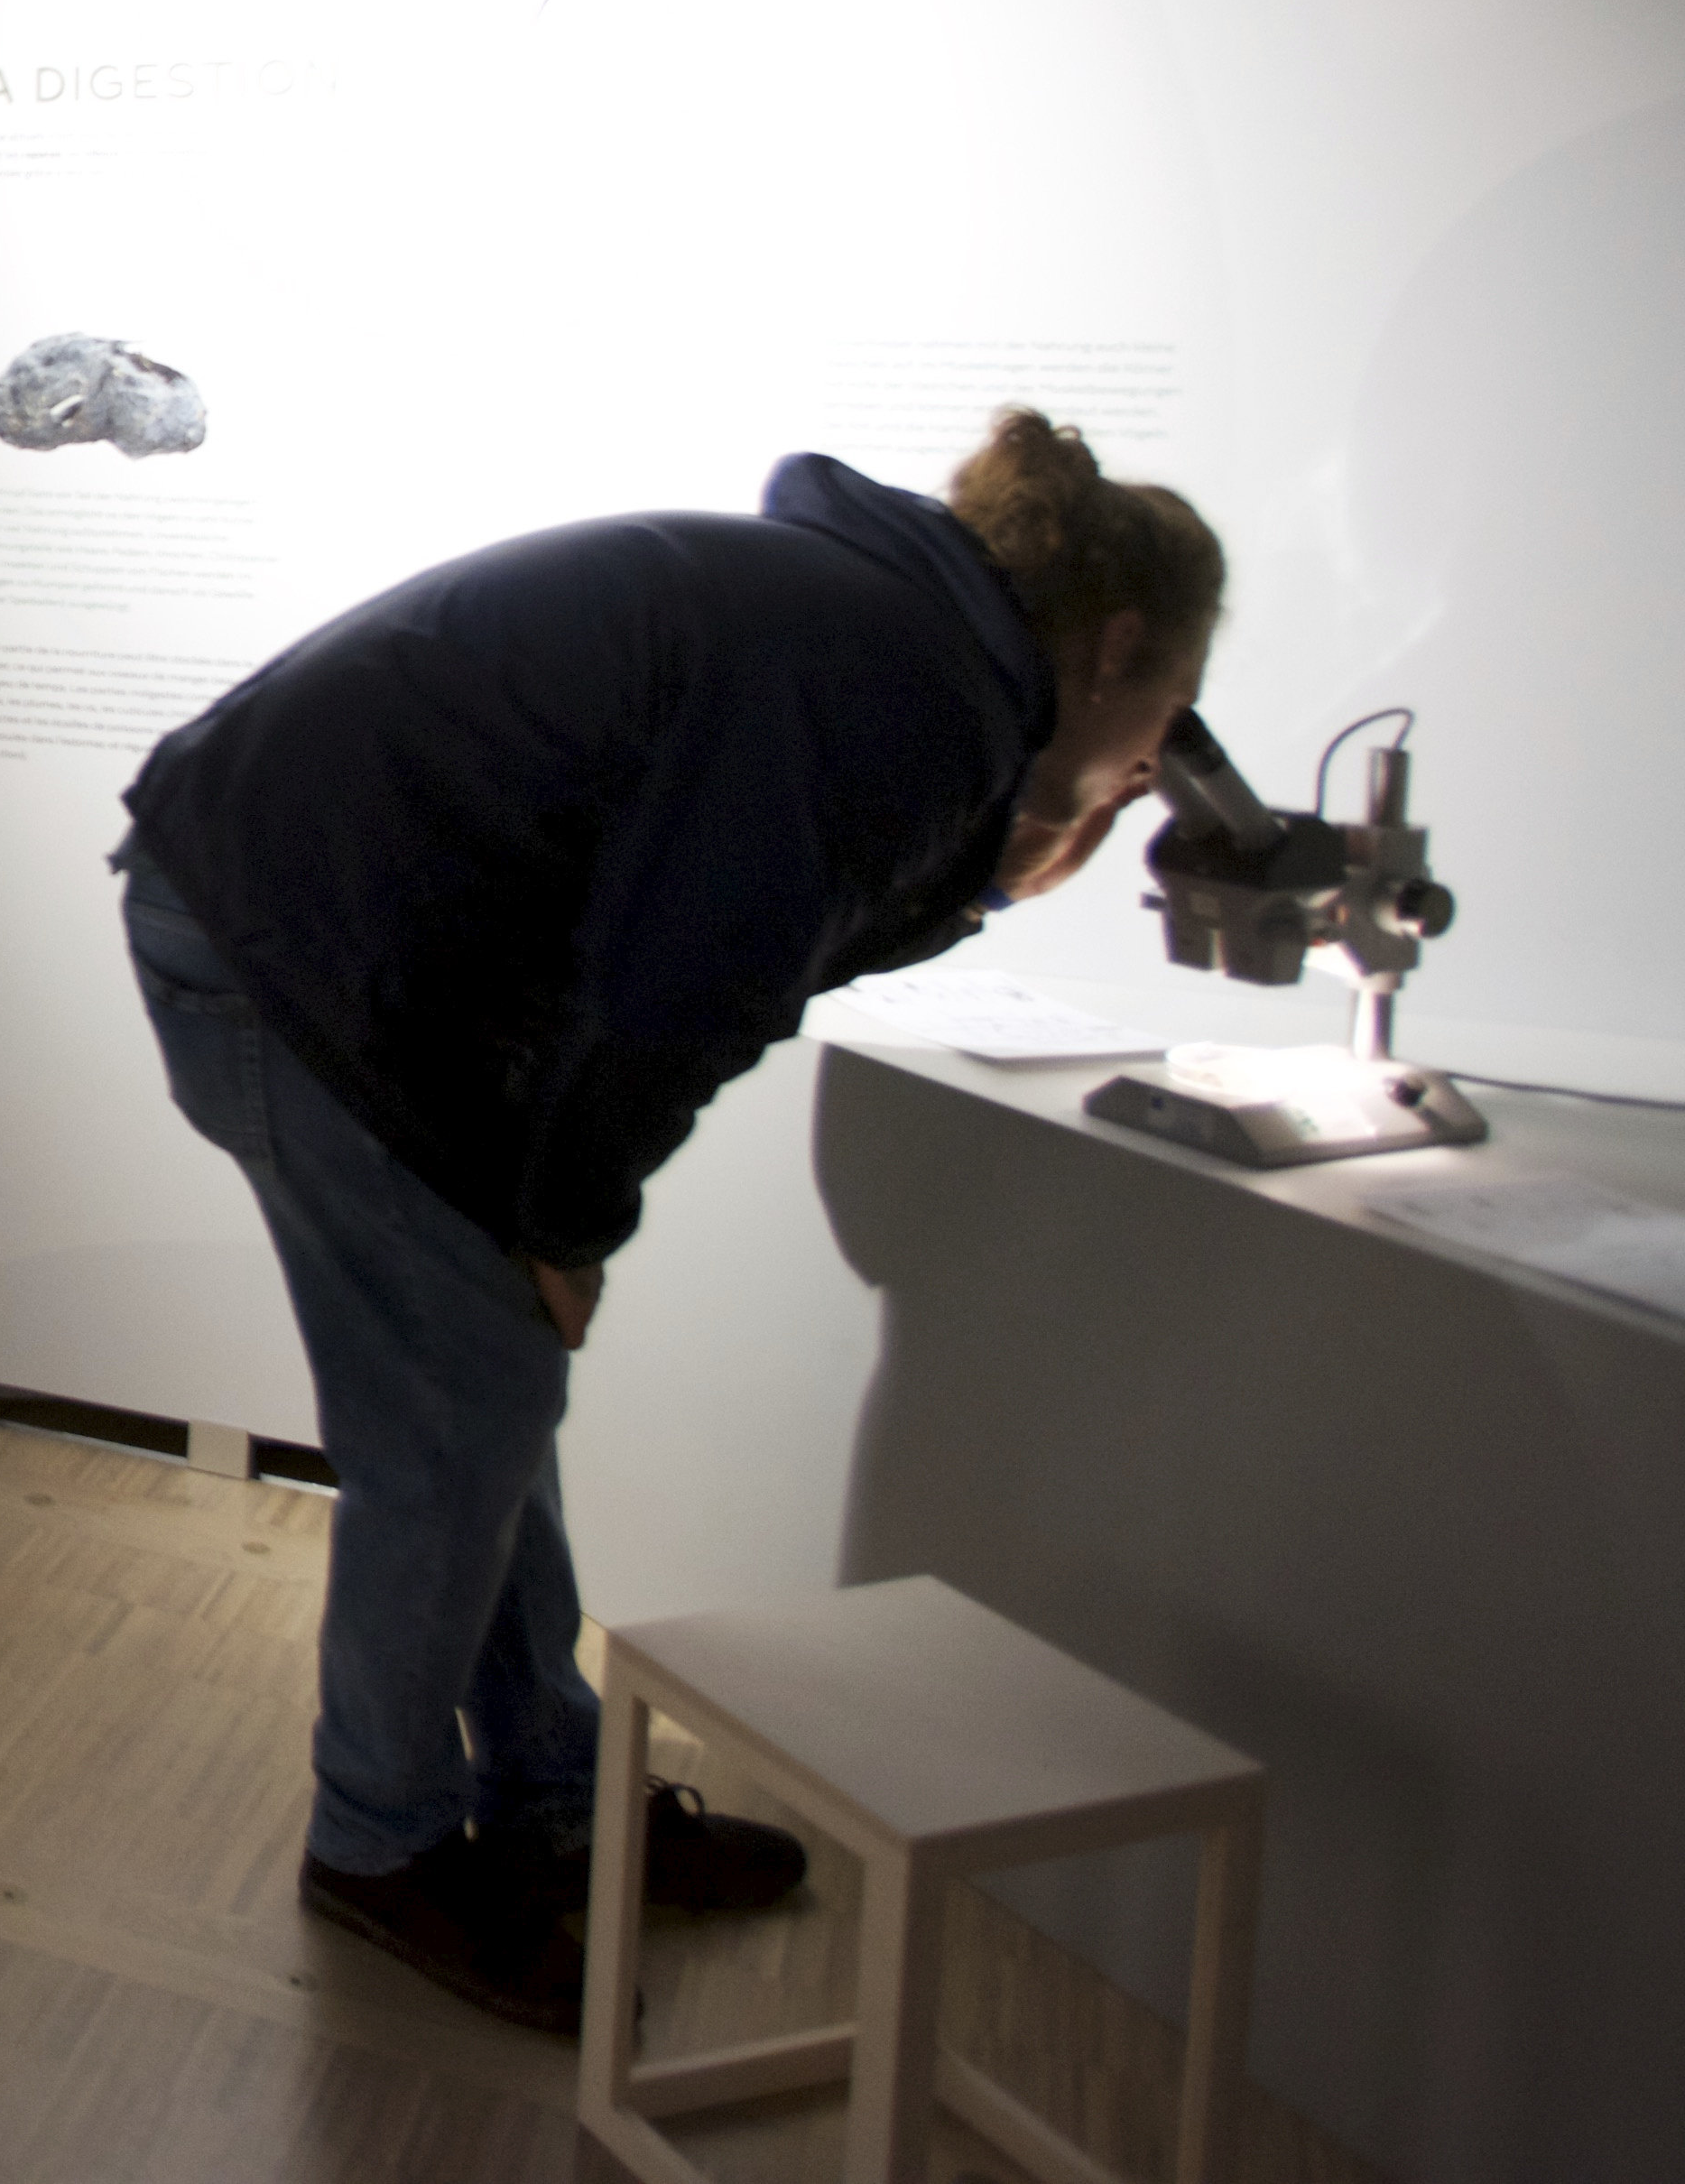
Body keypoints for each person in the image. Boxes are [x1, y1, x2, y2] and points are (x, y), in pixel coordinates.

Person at [115, 412, 1223, 2031]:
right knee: (458, 1410)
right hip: (288, 940)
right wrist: (567, 1224)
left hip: (349, 934)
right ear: (1117, 641)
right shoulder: (896, 682)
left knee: (476, 1388)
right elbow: (681, 991)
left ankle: (553, 1789)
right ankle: (379, 1839)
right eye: (1166, 709)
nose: (1160, 752)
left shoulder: (896, 642)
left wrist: (1003, 863)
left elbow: (760, 921)